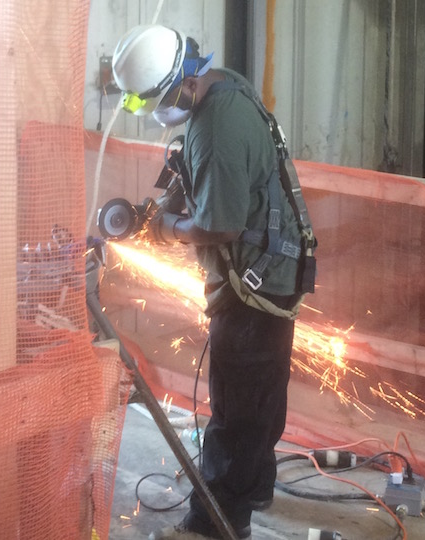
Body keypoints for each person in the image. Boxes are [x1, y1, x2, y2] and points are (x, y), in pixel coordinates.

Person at [111, 25, 317, 540]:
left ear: (181, 81)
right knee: (260, 393)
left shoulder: (215, 132)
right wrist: (165, 205)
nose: (154, 110)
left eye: (153, 99)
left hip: (254, 282)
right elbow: (205, 176)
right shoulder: (223, 85)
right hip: (277, 267)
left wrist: (164, 228)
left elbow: (219, 226)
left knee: (236, 405)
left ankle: (216, 523)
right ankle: (255, 487)